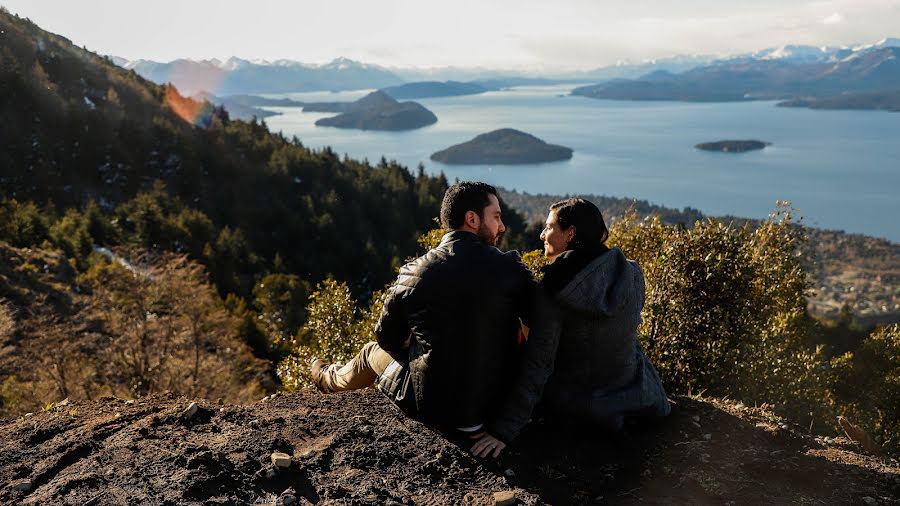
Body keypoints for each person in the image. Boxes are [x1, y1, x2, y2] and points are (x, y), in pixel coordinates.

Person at [311, 181, 535, 440]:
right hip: (496, 410)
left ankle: (327, 379)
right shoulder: (511, 270)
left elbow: (388, 340)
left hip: (438, 411)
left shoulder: (414, 272)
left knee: (372, 351)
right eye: (496, 217)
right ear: (472, 219)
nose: (502, 226)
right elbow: (538, 334)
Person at [472, 198, 670, 458]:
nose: (542, 234)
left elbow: (539, 365)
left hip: (584, 410)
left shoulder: (553, 290)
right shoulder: (632, 273)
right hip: (639, 399)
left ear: (571, 233)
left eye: (549, 227)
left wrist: (503, 431)